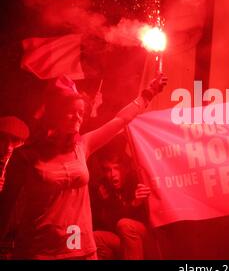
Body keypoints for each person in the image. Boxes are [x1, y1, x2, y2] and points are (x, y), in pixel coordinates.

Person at [0, 74, 167, 260]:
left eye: (81, 112)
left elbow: (120, 120)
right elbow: (6, 205)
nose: (78, 117)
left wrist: (148, 94)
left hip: (81, 248)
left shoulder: (83, 145)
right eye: (72, 111)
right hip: (40, 249)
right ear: (55, 114)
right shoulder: (26, 155)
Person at [91, 150, 155, 260]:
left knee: (125, 225)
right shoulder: (105, 188)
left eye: (117, 168)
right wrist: (105, 202)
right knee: (94, 237)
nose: (112, 174)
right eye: (107, 170)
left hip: (146, 237)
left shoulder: (136, 179)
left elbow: (148, 217)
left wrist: (136, 204)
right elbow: (111, 225)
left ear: (126, 168)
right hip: (124, 238)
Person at [0, 116, 29, 192]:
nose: (9, 146)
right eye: (3, 139)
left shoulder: (21, 167)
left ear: (22, 143)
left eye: (15, 141)